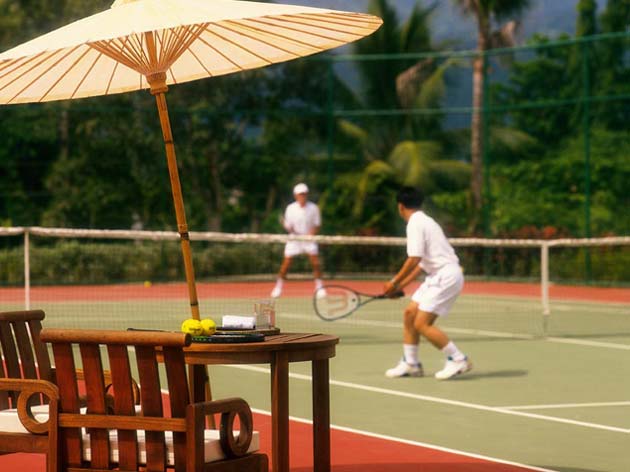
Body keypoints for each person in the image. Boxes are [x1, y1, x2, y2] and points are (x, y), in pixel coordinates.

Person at [383, 186, 471, 380]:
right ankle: (411, 364)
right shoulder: (425, 221)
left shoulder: (415, 223)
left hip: (445, 276)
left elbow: (413, 258)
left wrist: (393, 282)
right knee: (410, 314)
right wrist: (399, 286)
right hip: (437, 276)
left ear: (400, 207)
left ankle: (458, 359)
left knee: (422, 323)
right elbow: (420, 265)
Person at [270, 183, 325, 298]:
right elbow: (289, 226)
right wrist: (291, 230)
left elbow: (317, 225)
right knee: (286, 263)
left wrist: (311, 234)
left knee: (315, 263)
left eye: (304, 194)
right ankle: (278, 287)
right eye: (300, 194)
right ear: (296, 195)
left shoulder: (314, 208)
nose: (302, 196)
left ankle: (320, 287)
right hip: (294, 240)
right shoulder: (290, 208)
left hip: (309, 239)